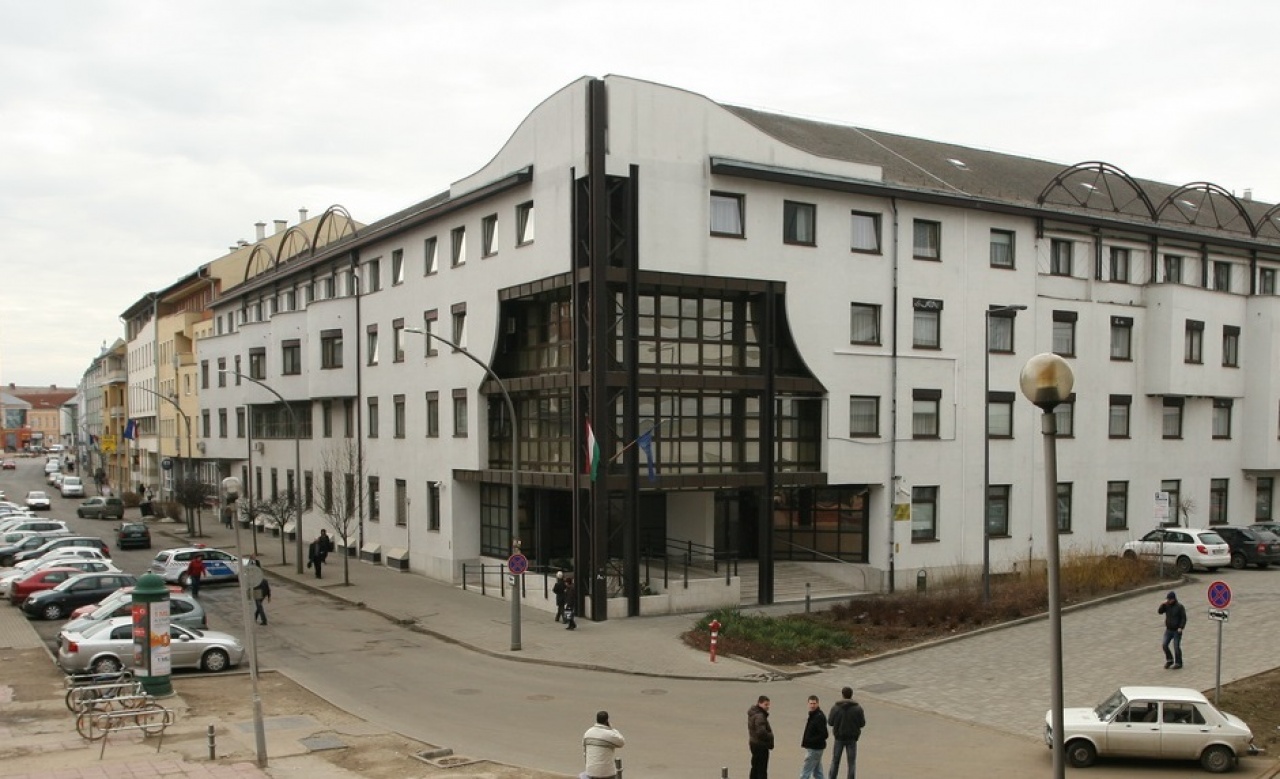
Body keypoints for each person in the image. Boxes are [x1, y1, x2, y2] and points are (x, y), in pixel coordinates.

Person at [827, 686, 866, 779]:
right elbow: (862, 723)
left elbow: (830, 722)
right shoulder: (858, 708)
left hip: (839, 737)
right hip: (852, 738)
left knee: (835, 760)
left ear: (842, 695)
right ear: (851, 695)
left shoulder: (836, 708)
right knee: (851, 762)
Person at [581, 710, 625, 779]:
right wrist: (612, 729)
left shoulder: (588, 733)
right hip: (606, 773)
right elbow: (621, 742)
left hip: (591, 771)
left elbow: (585, 752)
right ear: (607, 720)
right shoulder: (609, 734)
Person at [800, 694, 828, 779]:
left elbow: (824, 734)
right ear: (808, 704)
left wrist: (810, 741)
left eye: (814, 703)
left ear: (818, 704)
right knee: (817, 772)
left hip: (814, 749)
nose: (812, 705)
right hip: (815, 748)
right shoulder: (813, 715)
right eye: (811, 703)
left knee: (805, 773)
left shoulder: (818, 717)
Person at [1158, 590, 1187, 669]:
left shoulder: (1180, 607)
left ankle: (1178, 663)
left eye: (1169, 599)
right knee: (1164, 645)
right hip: (1168, 630)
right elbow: (1160, 612)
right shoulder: (1166, 606)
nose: (1168, 601)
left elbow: (1183, 618)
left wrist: (1181, 627)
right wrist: (1162, 605)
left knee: (1176, 646)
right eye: (1167, 599)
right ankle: (1169, 660)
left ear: (1173, 599)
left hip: (1177, 630)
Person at [747, 694, 773, 779]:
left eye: (768, 704)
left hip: (754, 743)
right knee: (761, 769)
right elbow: (761, 732)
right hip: (760, 745)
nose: (768, 707)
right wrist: (770, 736)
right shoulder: (760, 716)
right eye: (766, 704)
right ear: (759, 703)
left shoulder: (753, 713)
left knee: (755, 766)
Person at [249, 556, 271, 625]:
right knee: (259, 605)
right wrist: (269, 595)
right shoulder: (258, 570)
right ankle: (255, 616)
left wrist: (251, 560)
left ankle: (264, 620)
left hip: (258, 589)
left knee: (259, 606)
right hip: (264, 588)